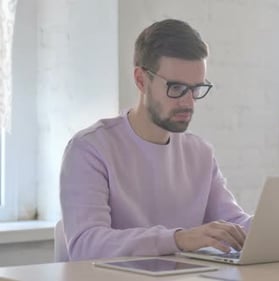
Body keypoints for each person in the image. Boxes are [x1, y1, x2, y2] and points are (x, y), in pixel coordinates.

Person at [59, 19, 252, 261]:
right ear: (141, 80)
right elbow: (86, 245)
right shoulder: (90, 149)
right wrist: (178, 239)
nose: (188, 101)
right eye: (177, 87)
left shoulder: (200, 152)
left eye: (196, 88)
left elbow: (234, 225)